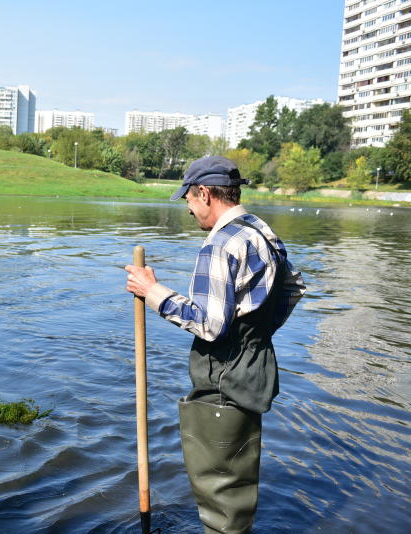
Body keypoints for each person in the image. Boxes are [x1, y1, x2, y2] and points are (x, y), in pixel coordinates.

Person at [125, 156, 305, 534]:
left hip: (223, 381)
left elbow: (210, 325)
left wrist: (152, 292)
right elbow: (292, 288)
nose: (189, 210)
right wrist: (255, 335)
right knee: (237, 488)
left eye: (189, 200)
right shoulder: (262, 231)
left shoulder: (220, 244)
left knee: (221, 498)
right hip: (254, 373)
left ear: (204, 193)